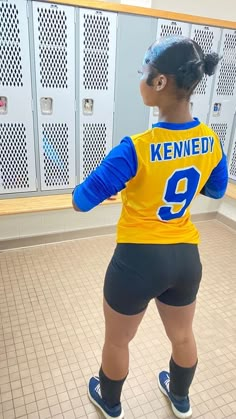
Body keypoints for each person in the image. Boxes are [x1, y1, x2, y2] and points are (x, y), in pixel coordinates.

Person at [72, 36, 228, 419]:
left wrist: (115, 185)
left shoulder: (135, 147)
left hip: (137, 261)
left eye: (144, 72)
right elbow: (216, 188)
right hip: (186, 259)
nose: (140, 79)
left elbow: (81, 200)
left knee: (118, 340)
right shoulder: (210, 139)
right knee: (182, 335)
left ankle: (109, 402)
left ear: (159, 83)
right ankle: (180, 398)